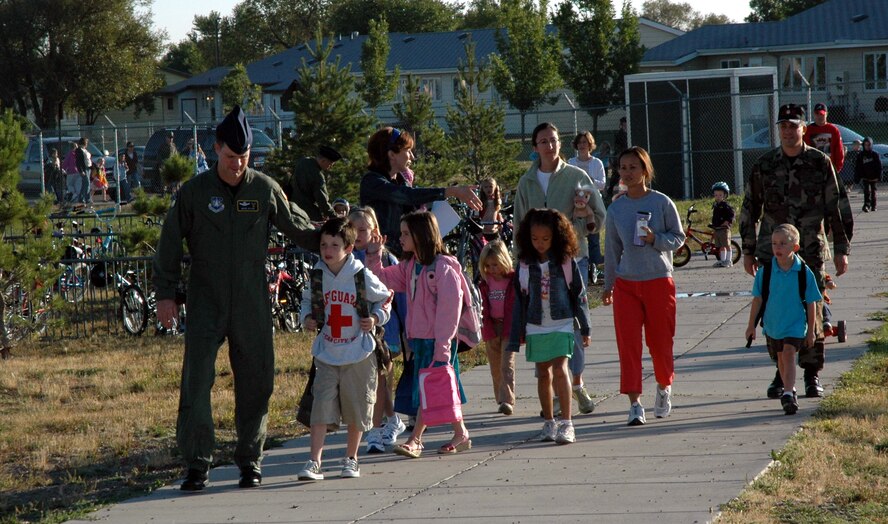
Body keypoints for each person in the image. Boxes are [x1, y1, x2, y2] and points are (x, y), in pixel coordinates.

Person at [152, 106, 321, 492]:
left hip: (250, 301)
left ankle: (250, 461)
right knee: (196, 382)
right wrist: (166, 294)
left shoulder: (264, 188)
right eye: (231, 158)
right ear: (216, 150)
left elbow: (299, 228)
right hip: (205, 300)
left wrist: (338, 238)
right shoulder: (195, 193)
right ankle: (197, 464)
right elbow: (168, 243)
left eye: (244, 158)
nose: (237, 165)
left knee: (257, 381)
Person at [739, 103, 853, 400]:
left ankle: (811, 374)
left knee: (811, 311)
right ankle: (781, 372)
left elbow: (837, 207)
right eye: (783, 126)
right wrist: (748, 251)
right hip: (772, 251)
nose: (788, 131)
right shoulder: (764, 165)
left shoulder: (819, 162)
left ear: (805, 128)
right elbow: (750, 208)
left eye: (794, 126)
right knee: (774, 312)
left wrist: (841, 248)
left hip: (810, 249)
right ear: (779, 130)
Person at [513, 122, 605, 416]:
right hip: (536, 265)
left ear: (559, 144)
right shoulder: (527, 182)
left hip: (569, 260)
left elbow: (598, 219)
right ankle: (552, 391)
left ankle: (576, 382)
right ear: (534, 147)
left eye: (553, 140)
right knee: (540, 323)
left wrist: (585, 216)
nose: (549, 146)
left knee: (573, 323)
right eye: (543, 141)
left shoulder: (577, 176)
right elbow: (518, 225)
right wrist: (520, 261)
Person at [364, 211, 472, 458]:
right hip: (422, 341)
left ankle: (415, 439)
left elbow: (449, 310)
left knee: (429, 389)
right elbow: (380, 280)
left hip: (438, 341)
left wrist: (442, 347)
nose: (400, 238)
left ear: (421, 235)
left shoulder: (443, 268)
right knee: (441, 388)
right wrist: (374, 255)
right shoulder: (411, 267)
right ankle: (461, 433)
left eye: (405, 233)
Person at [295, 217, 391, 481]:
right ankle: (314, 461)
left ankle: (351, 459)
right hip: (326, 352)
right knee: (320, 408)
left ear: (348, 248)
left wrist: (375, 319)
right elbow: (306, 301)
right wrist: (306, 319)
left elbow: (385, 298)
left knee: (356, 409)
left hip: (358, 353)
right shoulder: (317, 275)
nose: (327, 250)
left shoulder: (361, 275)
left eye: (334, 245)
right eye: (324, 244)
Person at [602, 146, 685, 426]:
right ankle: (635, 404)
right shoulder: (616, 208)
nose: (627, 173)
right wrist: (608, 284)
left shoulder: (661, 203)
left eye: (633, 167)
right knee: (628, 347)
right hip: (627, 284)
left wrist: (655, 239)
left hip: (658, 281)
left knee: (660, 344)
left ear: (645, 170)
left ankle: (664, 387)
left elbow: (678, 237)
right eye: (623, 168)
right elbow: (612, 251)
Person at [506, 208, 590, 443]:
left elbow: (579, 296)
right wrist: (515, 337)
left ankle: (567, 423)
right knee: (542, 374)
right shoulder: (524, 265)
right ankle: (549, 422)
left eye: (545, 239)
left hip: (562, 322)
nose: (540, 243)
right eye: (534, 239)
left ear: (557, 236)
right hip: (535, 325)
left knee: (561, 369)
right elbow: (519, 304)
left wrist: (585, 328)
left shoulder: (565, 262)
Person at [359, 127, 481, 256]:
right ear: (391, 154)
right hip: (380, 258)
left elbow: (413, 203)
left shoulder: (401, 181)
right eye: (408, 150)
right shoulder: (372, 182)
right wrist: (451, 191)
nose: (412, 156)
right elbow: (408, 195)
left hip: (404, 259)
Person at [348, 206, 408, 454]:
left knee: (380, 380)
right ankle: (392, 420)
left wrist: (408, 334)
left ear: (375, 231)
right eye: (353, 229)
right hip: (358, 331)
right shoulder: (347, 258)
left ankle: (374, 431)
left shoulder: (387, 260)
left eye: (364, 229)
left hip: (387, 331)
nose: (358, 234)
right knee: (372, 383)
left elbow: (400, 300)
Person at [745, 224, 821, 415]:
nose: (777, 248)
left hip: (795, 324)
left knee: (788, 354)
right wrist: (750, 326)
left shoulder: (803, 272)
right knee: (780, 358)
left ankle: (787, 393)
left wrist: (811, 330)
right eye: (774, 244)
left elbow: (811, 302)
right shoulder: (766, 272)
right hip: (773, 324)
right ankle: (791, 386)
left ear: (795, 247)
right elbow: (758, 299)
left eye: (783, 244)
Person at [478, 240, 517, 415]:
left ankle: (508, 399)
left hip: (509, 326)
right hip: (491, 327)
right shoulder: (486, 283)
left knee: (506, 365)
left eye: (495, 264)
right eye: (488, 265)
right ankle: (500, 398)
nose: (492, 269)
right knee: (495, 366)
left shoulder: (512, 280)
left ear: (504, 261)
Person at [568, 131, 607, 278]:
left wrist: (589, 180)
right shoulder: (571, 163)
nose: (582, 145)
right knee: (576, 233)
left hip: (592, 203)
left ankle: (594, 266)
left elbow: (602, 184)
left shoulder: (597, 163)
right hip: (576, 205)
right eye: (579, 142)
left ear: (590, 145)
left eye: (585, 142)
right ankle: (576, 263)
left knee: (593, 235)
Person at [285, 145, 342, 222]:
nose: (330, 167)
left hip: (292, 208)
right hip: (308, 215)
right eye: (330, 164)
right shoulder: (317, 175)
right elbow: (322, 200)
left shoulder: (302, 162)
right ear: (323, 161)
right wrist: (334, 216)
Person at [804, 103, 844, 174]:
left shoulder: (833, 130)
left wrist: (836, 170)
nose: (819, 116)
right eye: (817, 114)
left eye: (822, 114)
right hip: (812, 171)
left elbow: (839, 151)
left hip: (829, 170)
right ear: (814, 114)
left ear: (826, 114)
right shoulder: (807, 130)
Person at [710, 182, 736, 268]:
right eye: (716, 195)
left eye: (720, 195)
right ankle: (722, 260)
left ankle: (729, 260)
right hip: (717, 228)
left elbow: (732, 214)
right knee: (720, 246)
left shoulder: (725, 205)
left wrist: (728, 221)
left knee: (726, 245)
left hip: (724, 228)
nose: (718, 197)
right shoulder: (715, 205)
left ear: (724, 195)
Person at [856, 137, 881, 212]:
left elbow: (879, 167)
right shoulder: (861, 155)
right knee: (866, 191)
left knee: (873, 191)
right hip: (865, 176)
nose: (867, 147)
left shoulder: (875, 155)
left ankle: (874, 206)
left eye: (869, 145)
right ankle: (867, 205)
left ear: (871, 145)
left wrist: (879, 176)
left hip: (874, 177)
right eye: (866, 145)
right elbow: (858, 167)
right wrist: (858, 177)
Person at [75, 137, 92, 205]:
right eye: (86, 142)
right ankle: (87, 199)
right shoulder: (79, 150)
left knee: (84, 184)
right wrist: (81, 171)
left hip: (88, 168)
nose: (87, 144)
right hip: (84, 168)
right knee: (87, 183)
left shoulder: (85, 150)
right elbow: (78, 162)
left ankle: (81, 198)